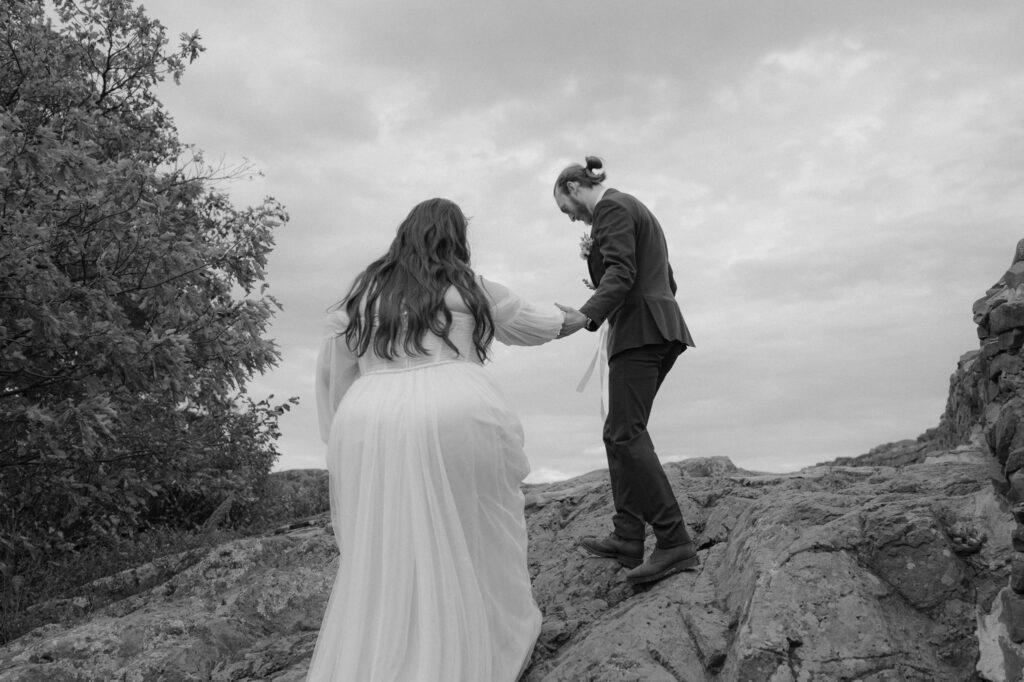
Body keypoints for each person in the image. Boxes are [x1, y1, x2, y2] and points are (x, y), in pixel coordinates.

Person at [308, 198, 564, 681]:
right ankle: (478, 640)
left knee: (387, 536)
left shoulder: (362, 294)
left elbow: (334, 372)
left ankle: (393, 644)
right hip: (457, 408)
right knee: (479, 524)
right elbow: (537, 325)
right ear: (456, 238)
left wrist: (342, 437)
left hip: (369, 417)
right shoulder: (469, 287)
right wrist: (585, 314)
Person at [554, 156, 699, 585]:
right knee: (618, 431)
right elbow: (666, 280)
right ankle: (628, 536)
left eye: (567, 208)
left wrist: (586, 314)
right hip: (659, 328)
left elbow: (621, 270)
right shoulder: (636, 209)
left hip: (640, 333)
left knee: (625, 433)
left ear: (574, 187)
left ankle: (674, 542)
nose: (572, 218)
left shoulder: (612, 210)